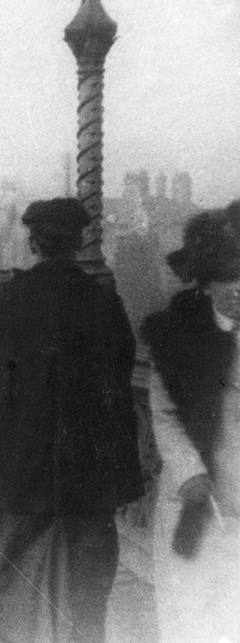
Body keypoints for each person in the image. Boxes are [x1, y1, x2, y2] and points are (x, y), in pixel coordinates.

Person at [0, 198, 145, 643]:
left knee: (4, 599)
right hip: (87, 485)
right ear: (80, 241)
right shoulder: (104, 303)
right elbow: (119, 395)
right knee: (84, 602)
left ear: (32, 242)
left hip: (14, 481)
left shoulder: (5, 302)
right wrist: (124, 479)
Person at [140, 201, 240, 643]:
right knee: (193, 612)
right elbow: (163, 412)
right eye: (228, 282)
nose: (237, 292)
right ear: (206, 282)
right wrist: (190, 474)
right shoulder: (175, 331)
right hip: (200, 497)